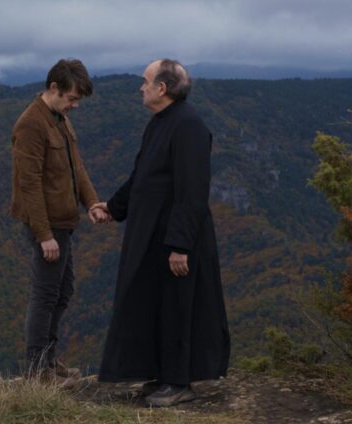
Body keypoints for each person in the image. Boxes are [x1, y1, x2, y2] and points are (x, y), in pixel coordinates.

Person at [92, 59, 230, 407]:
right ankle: (160, 375)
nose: (141, 87)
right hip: (153, 235)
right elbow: (142, 177)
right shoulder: (160, 124)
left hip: (175, 238)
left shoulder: (189, 127)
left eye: (145, 81)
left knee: (177, 308)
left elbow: (192, 191)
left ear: (162, 88)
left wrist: (180, 244)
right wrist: (112, 207)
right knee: (154, 305)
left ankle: (178, 382)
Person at [10, 58, 109, 380]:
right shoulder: (31, 125)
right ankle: (37, 369)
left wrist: (92, 202)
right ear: (54, 88)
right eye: (72, 98)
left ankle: (49, 362)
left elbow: (75, 167)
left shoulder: (59, 119)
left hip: (65, 223)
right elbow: (28, 184)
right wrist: (43, 234)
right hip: (48, 225)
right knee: (46, 295)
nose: (75, 105)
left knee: (62, 292)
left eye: (78, 99)